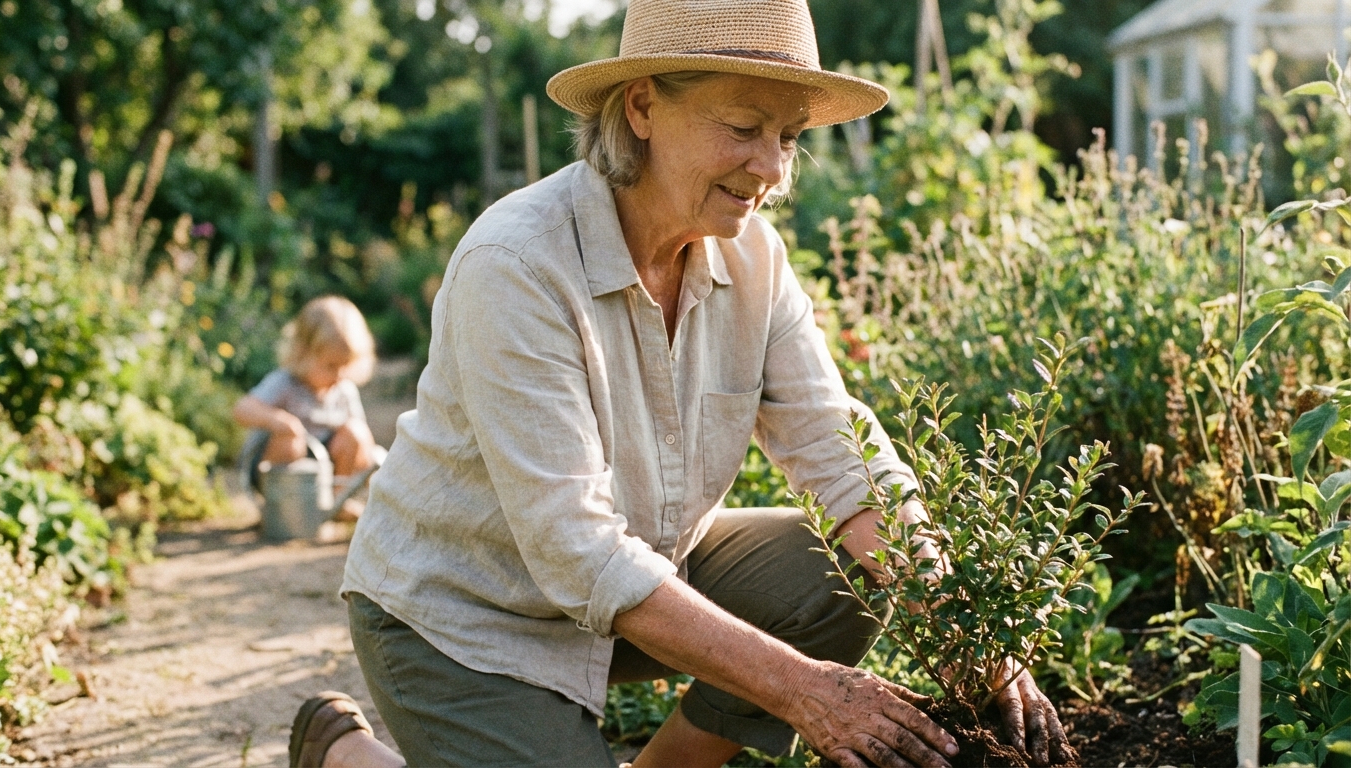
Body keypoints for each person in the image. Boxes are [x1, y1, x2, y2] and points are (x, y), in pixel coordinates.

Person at [290, 1, 1073, 766]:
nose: (773, 169)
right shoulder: (517, 265)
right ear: (641, 107)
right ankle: (345, 754)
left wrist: (969, 637)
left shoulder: (755, 260)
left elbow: (842, 454)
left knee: (840, 575)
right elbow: (576, 549)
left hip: (635, 585)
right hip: (465, 619)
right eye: (743, 128)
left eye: (789, 137)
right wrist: (808, 691)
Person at [233, 295, 378, 519]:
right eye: (330, 366)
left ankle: (336, 502)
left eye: (345, 365)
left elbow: (363, 446)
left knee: (356, 432)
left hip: (326, 471)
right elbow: (242, 409)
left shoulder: (344, 390)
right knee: (290, 440)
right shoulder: (284, 382)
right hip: (278, 469)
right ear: (303, 352)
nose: (339, 374)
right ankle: (284, 507)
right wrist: (279, 420)